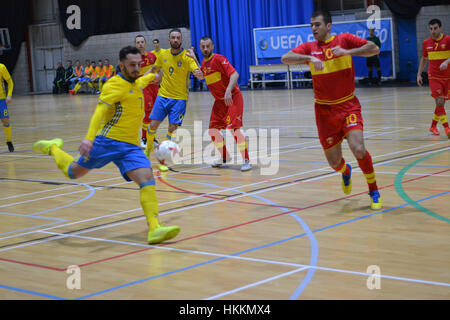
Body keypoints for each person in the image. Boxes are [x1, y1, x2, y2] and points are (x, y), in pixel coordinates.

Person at [32, 46, 180, 244]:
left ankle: (154, 228)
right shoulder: (113, 85)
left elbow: (147, 77)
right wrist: (89, 139)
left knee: (147, 179)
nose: (137, 68)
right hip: (107, 142)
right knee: (73, 172)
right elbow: (99, 113)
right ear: (121, 65)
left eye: (139, 64)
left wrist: (155, 73)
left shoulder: (138, 81)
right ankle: (53, 148)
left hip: (131, 146)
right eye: (132, 65)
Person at [281, 11, 382, 210]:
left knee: (358, 148)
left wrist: (348, 52)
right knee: (334, 163)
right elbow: (286, 57)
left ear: (329, 26)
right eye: (311, 25)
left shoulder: (344, 40)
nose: (313, 28)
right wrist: (307, 57)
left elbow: (374, 48)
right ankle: (345, 171)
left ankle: (373, 189)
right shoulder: (310, 47)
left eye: (317, 24)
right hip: (324, 112)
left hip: (347, 105)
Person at [146, 28, 203, 171]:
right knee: (152, 126)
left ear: (181, 40)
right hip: (163, 95)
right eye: (173, 37)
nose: (176, 40)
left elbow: (200, 75)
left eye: (178, 37)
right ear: (169, 40)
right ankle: (146, 154)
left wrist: (196, 65)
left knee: (172, 127)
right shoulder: (163, 54)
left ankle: (163, 159)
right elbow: (154, 70)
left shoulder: (187, 56)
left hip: (179, 98)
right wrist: (139, 80)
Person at [191, 37, 251, 171]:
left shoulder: (219, 59)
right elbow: (202, 76)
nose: (205, 49)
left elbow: (235, 74)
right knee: (212, 131)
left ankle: (246, 160)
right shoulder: (204, 63)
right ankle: (224, 157)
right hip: (219, 102)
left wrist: (229, 90)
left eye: (208, 46)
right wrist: (194, 61)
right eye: (203, 47)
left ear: (212, 46)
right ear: (200, 48)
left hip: (232, 98)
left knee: (234, 129)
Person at [417, 18, 450, 138]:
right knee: (440, 101)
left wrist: (447, 62)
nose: (433, 31)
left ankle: (433, 126)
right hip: (433, 77)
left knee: (441, 104)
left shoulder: (448, 39)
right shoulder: (426, 42)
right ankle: (447, 128)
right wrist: (419, 74)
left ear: (440, 28)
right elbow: (424, 59)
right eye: (431, 29)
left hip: (447, 77)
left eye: (435, 28)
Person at [135, 35, 159, 148]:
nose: (140, 44)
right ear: (135, 45)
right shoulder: (134, 59)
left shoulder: (152, 56)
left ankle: (152, 138)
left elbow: (158, 70)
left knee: (155, 114)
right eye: (138, 42)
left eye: (142, 42)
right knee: (148, 113)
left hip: (154, 87)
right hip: (144, 89)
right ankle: (144, 138)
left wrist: (158, 78)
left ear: (145, 43)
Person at [0, 63, 14, 152]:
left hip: (1, 99)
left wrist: (9, 95)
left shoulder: (1, 67)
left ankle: (9, 141)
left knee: (5, 120)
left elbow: (10, 82)